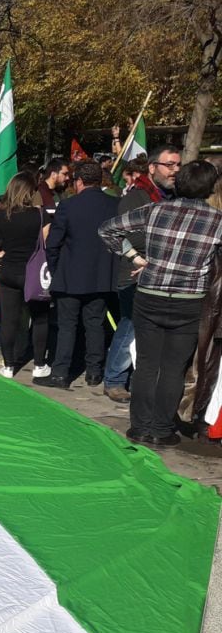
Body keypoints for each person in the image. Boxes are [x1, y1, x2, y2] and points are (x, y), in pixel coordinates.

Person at [99, 160, 222, 447]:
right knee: (173, 367)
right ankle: (162, 428)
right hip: (189, 300)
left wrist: (133, 256)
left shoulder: (155, 211)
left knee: (146, 364)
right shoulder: (217, 221)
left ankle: (140, 427)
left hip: (150, 293)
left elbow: (107, 230)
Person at [40, 162, 118, 389]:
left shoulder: (68, 205)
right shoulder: (114, 205)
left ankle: (60, 373)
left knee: (67, 325)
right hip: (101, 276)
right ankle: (94, 371)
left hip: (70, 274)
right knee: (95, 324)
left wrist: (55, 270)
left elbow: (53, 243)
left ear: (79, 182)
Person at [0, 171, 52, 380]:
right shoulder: (41, 215)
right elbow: (45, 243)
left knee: (8, 320)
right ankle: (39, 364)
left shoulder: (1, 214)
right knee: (40, 318)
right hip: (33, 273)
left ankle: (8, 365)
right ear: (30, 192)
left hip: (8, 271)